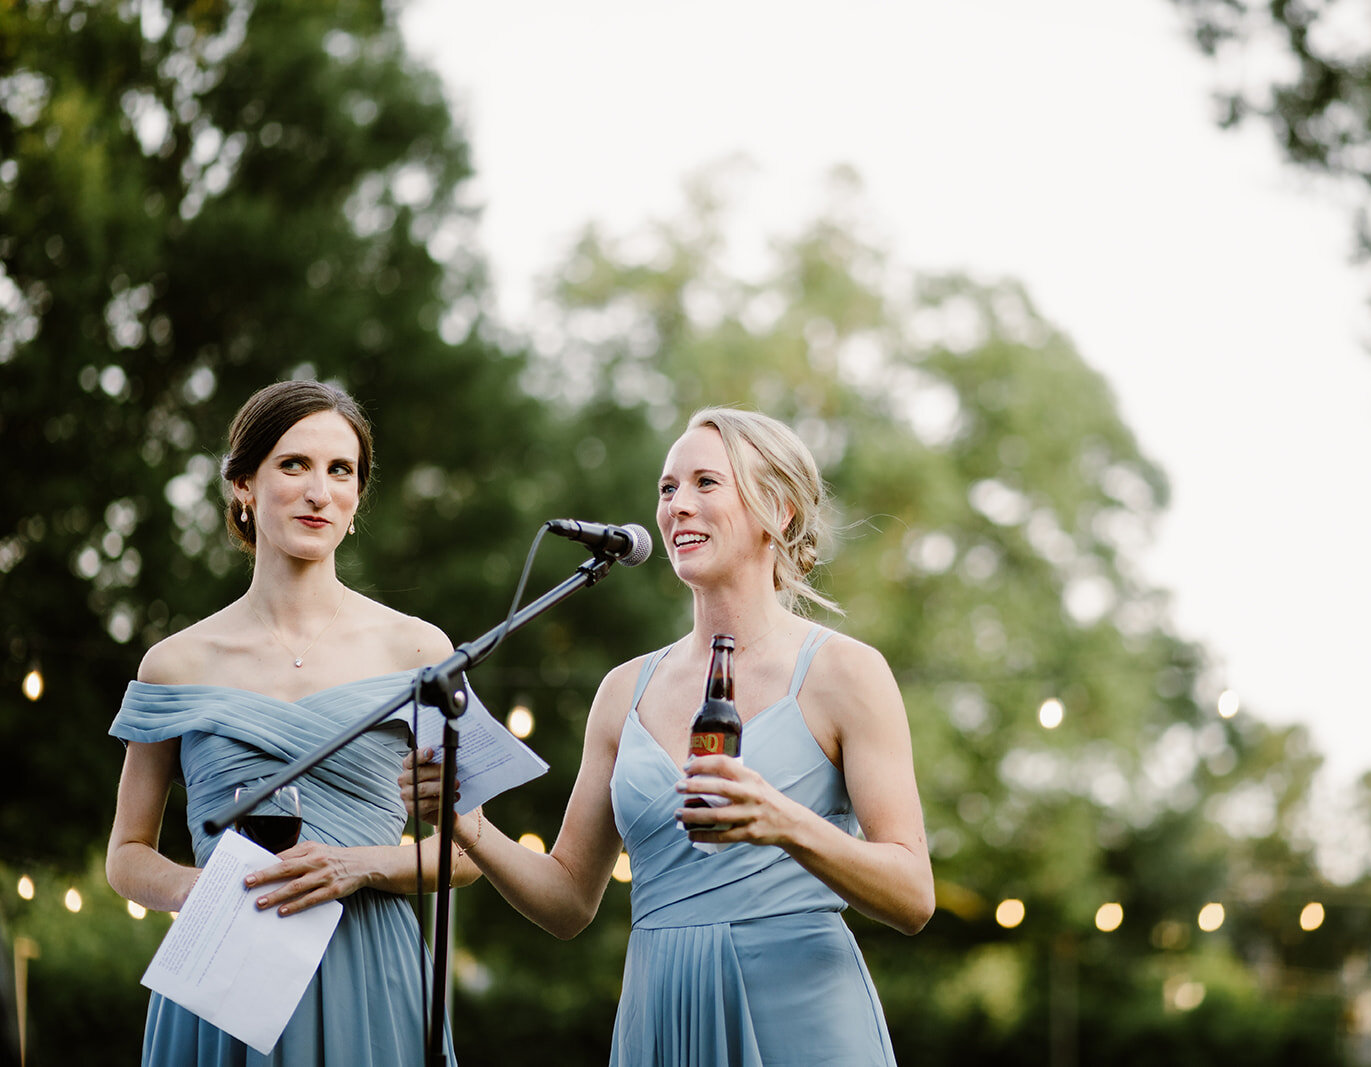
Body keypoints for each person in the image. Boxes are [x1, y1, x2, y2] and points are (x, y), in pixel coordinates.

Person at [404, 406, 935, 1065]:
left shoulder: (846, 672)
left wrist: (784, 821)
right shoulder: (622, 691)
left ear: (781, 510)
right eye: (666, 487)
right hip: (660, 1015)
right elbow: (569, 899)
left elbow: (913, 894)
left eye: (706, 483)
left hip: (801, 1020)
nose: (678, 504)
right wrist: (468, 827)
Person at [106, 379, 480, 1066]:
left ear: (358, 497)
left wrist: (358, 865)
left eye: (341, 470)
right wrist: (197, 888)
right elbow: (126, 854)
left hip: (370, 970)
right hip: (223, 967)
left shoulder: (420, 650)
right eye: (294, 464)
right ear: (244, 483)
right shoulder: (175, 661)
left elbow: (469, 851)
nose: (320, 491)